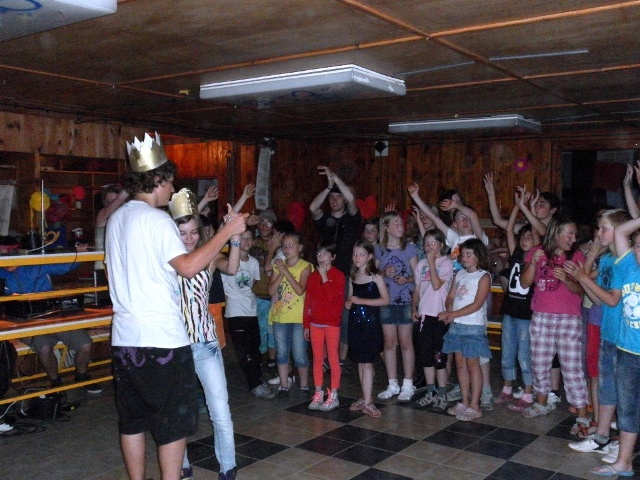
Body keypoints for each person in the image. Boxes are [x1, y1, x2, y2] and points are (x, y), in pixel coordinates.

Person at [105, 132, 246, 480]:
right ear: (157, 179)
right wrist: (226, 232)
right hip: (163, 340)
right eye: (169, 181)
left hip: (124, 338)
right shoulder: (157, 220)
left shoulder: (116, 219)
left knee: (133, 421)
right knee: (172, 423)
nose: (172, 188)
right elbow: (187, 266)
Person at [169, 188, 242, 480]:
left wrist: (233, 238)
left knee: (219, 409)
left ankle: (228, 467)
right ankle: (181, 464)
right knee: (179, 411)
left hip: (206, 344)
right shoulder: (167, 259)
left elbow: (232, 268)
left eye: (193, 233)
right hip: (175, 345)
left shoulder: (208, 257)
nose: (189, 238)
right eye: (182, 233)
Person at [409, 182, 494, 410]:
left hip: (474, 294)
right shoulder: (455, 239)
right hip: (455, 296)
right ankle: (455, 391)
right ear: (454, 223)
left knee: (477, 352)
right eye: (459, 219)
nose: (464, 221)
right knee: (456, 352)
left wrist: (457, 206)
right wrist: (416, 197)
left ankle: (484, 391)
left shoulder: (478, 238)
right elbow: (433, 220)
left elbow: (473, 215)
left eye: (465, 218)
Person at [563, 209, 631, 461]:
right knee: (606, 388)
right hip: (608, 333)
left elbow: (613, 300)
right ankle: (601, 436)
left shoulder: (625, 262)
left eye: (604, 228)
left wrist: (583, 277)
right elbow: (598, 300)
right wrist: (582, 280)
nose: (599, 233)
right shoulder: (607, 260)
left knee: (625, 392)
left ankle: (622, 442)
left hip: (624, 337)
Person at [519, 216, 589, 428]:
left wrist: (567, 279)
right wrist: (533, 263)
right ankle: (541, 403)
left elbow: (581, 290)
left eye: (574, 234)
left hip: (569, 317)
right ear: (556, 233)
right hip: (542, 315)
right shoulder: (537, 252)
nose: (573, 238)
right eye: (569, 234)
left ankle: (582, 413)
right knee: (539, 363)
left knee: (572, 367)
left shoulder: (576, 256)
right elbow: (524, 283)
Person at [0, 251, 101, 394]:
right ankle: (55, 382)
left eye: (10, 252)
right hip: (25, 322)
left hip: (54, 317)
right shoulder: (1, 274)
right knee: (44, 348)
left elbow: (66, 266)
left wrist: (80, 252)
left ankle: (82, 376)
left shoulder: (35, 266)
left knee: (85, 345)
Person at [587, 214, 640, 477]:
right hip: (628, 351)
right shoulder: (629, 267)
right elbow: (620, 232)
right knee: (627, 408)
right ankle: (624, 462)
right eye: (638, 246)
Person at [309, 165, 362, 371]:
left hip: (347, 275)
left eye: (338, 196)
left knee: (344, 317)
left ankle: (339, 359)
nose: (334, 199)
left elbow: (352, 199)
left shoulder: (352, 218)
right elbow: (313, 208)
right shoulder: (325, 220)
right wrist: (328, 187)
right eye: (332, 197)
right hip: (325, 273)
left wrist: (336, 179)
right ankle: (324, 358)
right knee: (324, 313)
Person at [493, 191, 539, 412]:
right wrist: (517, 206)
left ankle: (529, 391)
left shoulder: (537, 257)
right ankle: (507, 386)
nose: (524, 240)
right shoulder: (516, 255)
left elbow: (538, 232)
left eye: (529, 237)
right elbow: (509, 229)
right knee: (507, 351)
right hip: (510, 311)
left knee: (524, 354)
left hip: (526, 314)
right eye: (523, 237)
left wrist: (528, 209)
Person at [438, 238, 492, 422]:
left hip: (473, 326)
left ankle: (475, 405)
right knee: (460, 365)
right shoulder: (460, 274)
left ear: (479, 256)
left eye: (469, 254)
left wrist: (452, 314)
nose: (464, 258)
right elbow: (450, 297)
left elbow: (477, 304)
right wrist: (449, 311)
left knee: (473, 365)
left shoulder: (483, 277)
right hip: (457, 325)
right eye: (463, 255)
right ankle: (464, 400)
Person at [222, 228, 275, 399]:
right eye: (242, 238)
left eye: (249, 238)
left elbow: (251, 284)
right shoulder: (226, 262)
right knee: (244, 351)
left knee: (255, 348)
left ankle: (257, 378)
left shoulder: (253, 262)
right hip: (235, 312)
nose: (246, 241)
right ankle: (254, 384)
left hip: (251, 310)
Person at [375, 211, 418, 402]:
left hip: (405, 301)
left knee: (406, 342)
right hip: (387, 301)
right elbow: (373, 273)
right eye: (396, 223)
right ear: (386, 227)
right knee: (389, 342)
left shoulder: (409, 248)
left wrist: (407, 279)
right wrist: (384, 272)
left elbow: (418, 275)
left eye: (401, 223)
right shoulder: (379, 249)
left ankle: (408, 384)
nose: (400, 226)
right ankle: (392, 383)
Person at [412, 228, 453, 411]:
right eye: (426, 243)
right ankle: (430, 392)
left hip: (440, 316)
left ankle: (442, 394)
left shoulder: (446, 263)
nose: (429, 246)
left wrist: (431, 263)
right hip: (424, 315)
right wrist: (414, 307)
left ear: (441, 245)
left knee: (439, 358)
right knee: (426, 357)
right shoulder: (421, 265)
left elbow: (436, 285)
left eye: (433, 243)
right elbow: (417, 290)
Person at [346, 240, 389, 417]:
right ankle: (365, 396)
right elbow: (350, 298)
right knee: (360, 361)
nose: (357, 257)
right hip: (356, 323)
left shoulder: (375, 276)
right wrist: (349, 303)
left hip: (370, 325)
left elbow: (385, 300)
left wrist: (362, 301)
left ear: (370, 257)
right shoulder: (353, 276)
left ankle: (369, 401)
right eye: (355, 254)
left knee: (368, 363)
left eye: (361, 254)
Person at [268, 232, 312, 398]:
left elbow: (300, 290)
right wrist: (280, 272)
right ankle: (284, 386)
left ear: (300, 248)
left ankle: (304, 386)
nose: (287, 249)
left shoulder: (305, 266)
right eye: (284, 246)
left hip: (298, 317)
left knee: (299, 354)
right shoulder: (278, 265)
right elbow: (270, 290)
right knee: (282, 353)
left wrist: (285, 271)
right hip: (280, 316)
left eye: (291, 245)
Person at [304, 239, 346, 411]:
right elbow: (308, 301)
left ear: (333, 257)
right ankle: (318, 392)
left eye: (325, 254)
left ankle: (334, 394)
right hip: (315, 323)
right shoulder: (312, 277)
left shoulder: (338, 276)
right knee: (317, 359)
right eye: (319, 253)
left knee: (333, 358)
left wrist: (324, 277)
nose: (321, 257)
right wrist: (306, 324)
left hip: (331, 324)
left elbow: (332, 298)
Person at [249, 209, 279, 372]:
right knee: (261, 330)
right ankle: (260, 359)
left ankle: (272, 360)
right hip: (259, 293)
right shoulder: (253, 244)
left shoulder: (280, 244)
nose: (264, 226)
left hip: (276, 295)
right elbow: (260, 268)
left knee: (273, 331)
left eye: (268, 222)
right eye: (261, 222)